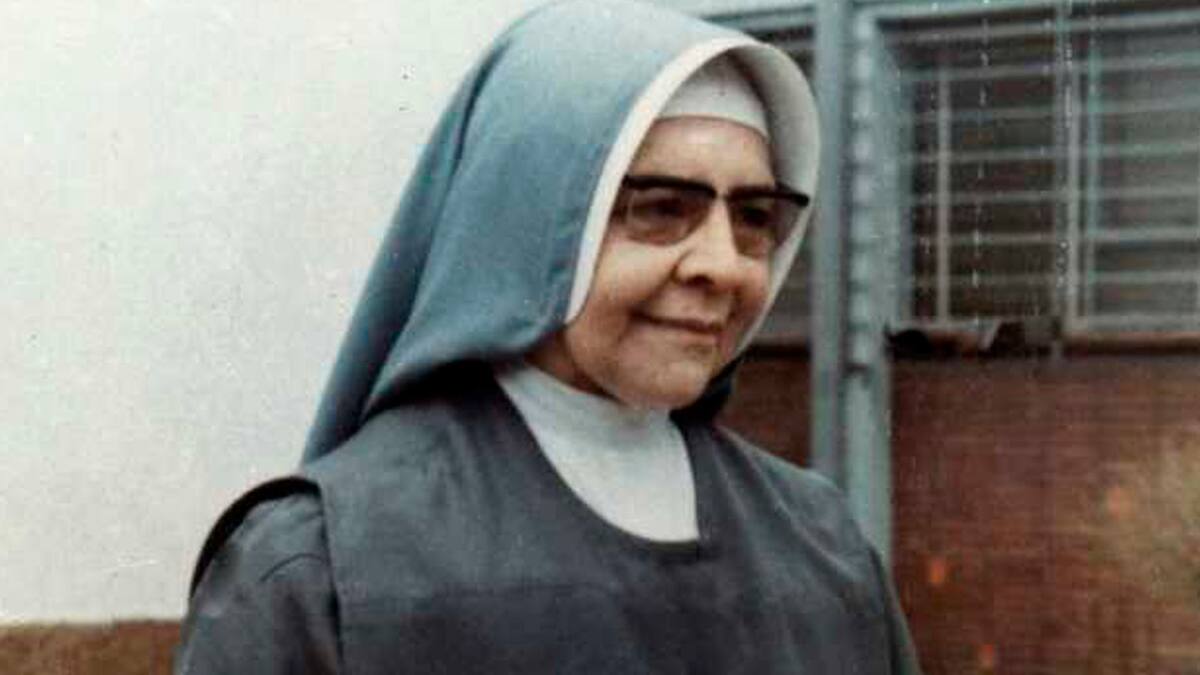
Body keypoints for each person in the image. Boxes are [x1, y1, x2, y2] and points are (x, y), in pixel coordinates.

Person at [174, 1, 923, 673]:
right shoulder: (319, 564)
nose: (722, 266)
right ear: (529, 220)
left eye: (754, 217)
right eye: (662, 208)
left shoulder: (824, 549)